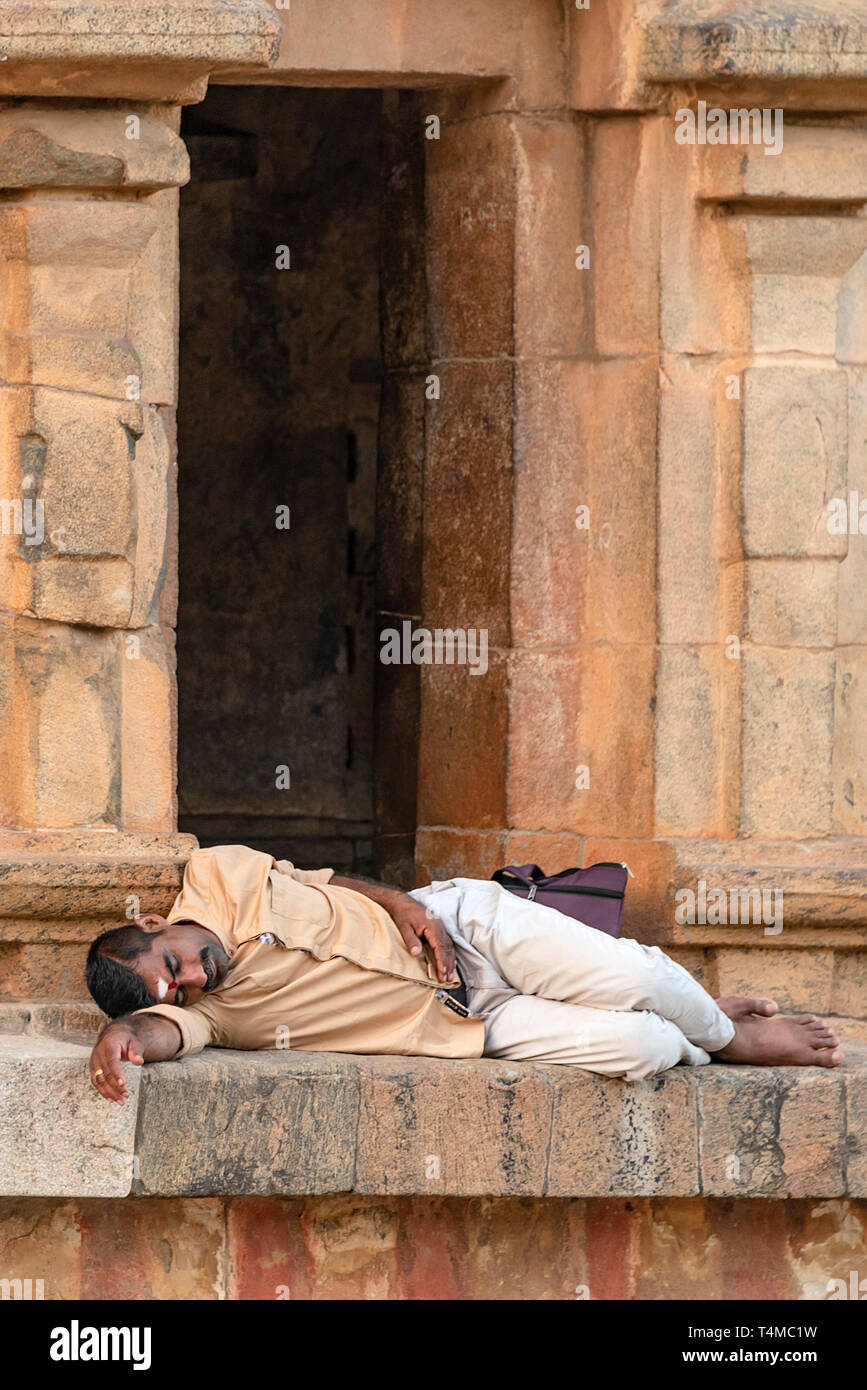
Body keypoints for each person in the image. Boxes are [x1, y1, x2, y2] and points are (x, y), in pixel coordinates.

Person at [85, 844, 843, 1104]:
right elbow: (162, 1031)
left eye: (173, 966)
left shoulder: (216, 871)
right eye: (177, 991)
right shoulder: (206, 1016)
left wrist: (404, 907)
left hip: (466, 929)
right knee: (642, 1050)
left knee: (632, 977)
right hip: (470, 1023)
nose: (190, 980)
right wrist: (125, 1033)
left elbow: (326, 878)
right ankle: (701, 1025)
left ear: (155, 926)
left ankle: (728, 1036)